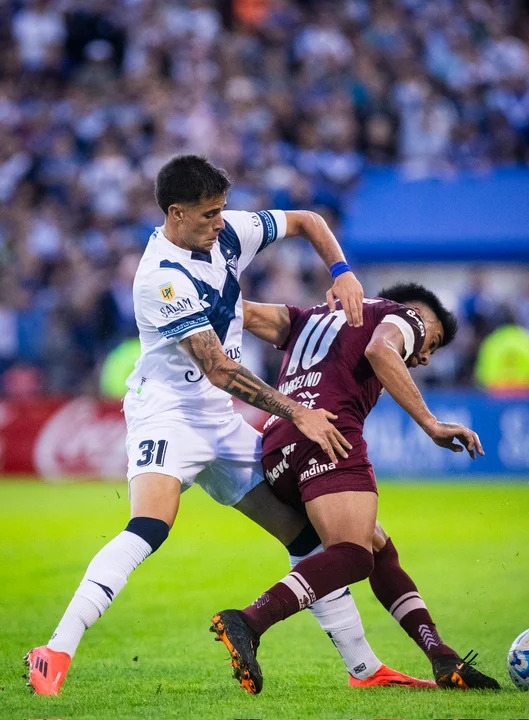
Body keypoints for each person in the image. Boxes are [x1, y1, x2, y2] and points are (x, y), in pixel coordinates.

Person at [25, 155, 424, 695]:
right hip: (167, 415)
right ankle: (54, 651)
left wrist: (342, 271)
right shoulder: (160, 278)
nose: (221, 224)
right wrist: (297, 411)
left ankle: (364, 669)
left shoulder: (227, 232)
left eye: (223, 211)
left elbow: (308, 219)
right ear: (176, 213)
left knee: (303, 534)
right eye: (210, 215)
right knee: (150, 527)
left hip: (220, 420)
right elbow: (217, 368)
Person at [211, 283, 501, 693]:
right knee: (353, 556)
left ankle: (442, 657)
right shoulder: (406, 316)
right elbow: (381, 351)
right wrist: (432, 424)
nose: (422, 356)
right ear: (422, 314)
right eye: (431, 344)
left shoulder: (313, 314)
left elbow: (243, 312)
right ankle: (249, 620)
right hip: (328, 434)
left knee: (378, 549)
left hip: (277, 446)